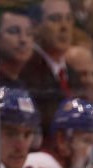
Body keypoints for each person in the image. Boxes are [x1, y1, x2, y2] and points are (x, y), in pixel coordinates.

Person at [20, 0, 77, 133]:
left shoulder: (73, 73)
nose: (64, 26)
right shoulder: (26, 70)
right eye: (55, 19)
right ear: (35, 26)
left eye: (69, 19)